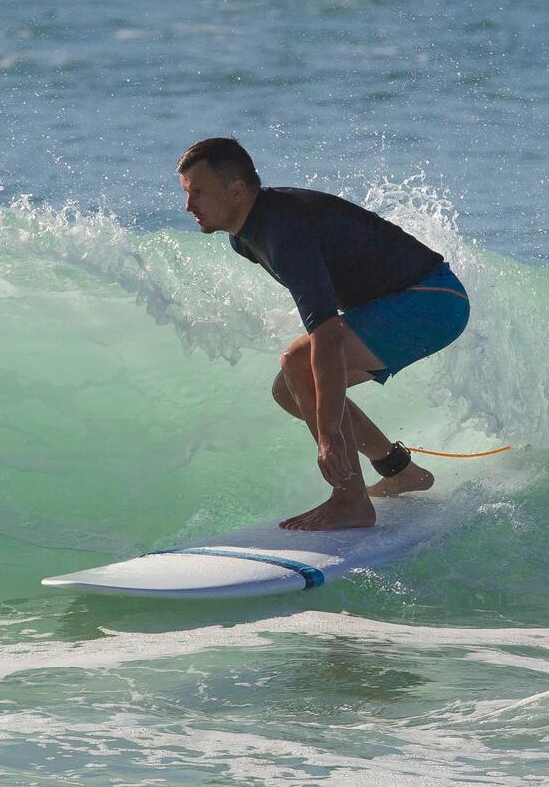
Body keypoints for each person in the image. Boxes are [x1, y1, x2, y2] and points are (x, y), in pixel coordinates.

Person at [177, 138, 470, 532]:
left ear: (236, 190)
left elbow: (326, 333)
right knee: (290, 388)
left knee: (298, 363)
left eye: (198, 192)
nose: (188, 206)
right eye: (186, 193)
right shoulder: (244, 237)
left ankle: (351, 501)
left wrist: (330, 434)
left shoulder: (283, 230)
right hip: (414, 303)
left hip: (432, 300)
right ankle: (399, 471)